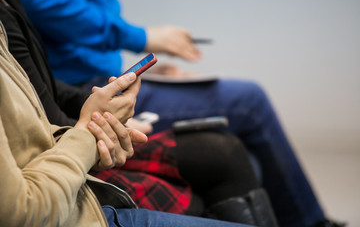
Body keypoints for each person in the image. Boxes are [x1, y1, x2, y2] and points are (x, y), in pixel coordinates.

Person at [11, 0, 344, 227]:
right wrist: (140, 38)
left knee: (232, 151)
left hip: (94, 88)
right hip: (88, 98)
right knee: (244, 110)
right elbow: (47, 2)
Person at [0, 20, 266, 227]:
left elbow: (39, 100)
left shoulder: (7, 6)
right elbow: (22, 212)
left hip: (66, 156)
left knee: (225, 152)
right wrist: (91, 132)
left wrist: (97, 121)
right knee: (243, 112)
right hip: (66, 196)